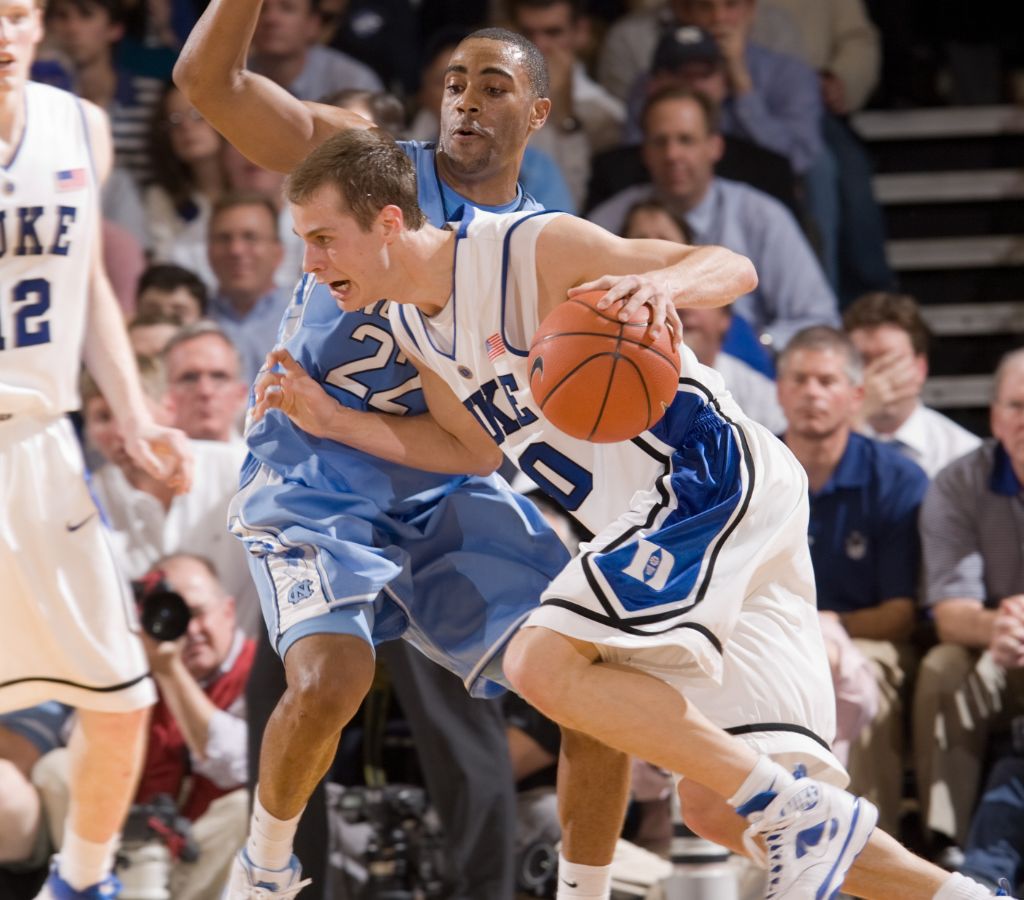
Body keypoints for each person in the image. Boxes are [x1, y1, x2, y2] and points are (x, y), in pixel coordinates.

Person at [274, 124, 1012, 900]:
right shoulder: (411, 324)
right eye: (303, 241)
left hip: (704, 477)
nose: (311, 263)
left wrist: (665, 287)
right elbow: (472, 449)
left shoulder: (525, 247)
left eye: (323, 238)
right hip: (692, 517)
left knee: (543, 662)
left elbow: (733, 267)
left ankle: (773, 811)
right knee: (717, 810)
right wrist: (335, 422)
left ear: (390, 223)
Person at [174, 19, 638, 900]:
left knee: (598, 675)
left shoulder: (541, 252)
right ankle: (265, 869)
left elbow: (470, 447)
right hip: (311, 478)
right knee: (330, 679)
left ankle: (587, 891)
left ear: (539, 112)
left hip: (443, 481)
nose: (466, 97)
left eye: (494, 85)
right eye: (456, 80)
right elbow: (210, 85)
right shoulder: (366, 160)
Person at [0, 1, 191, 896]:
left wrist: (136, 411)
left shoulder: (76, 127)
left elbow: (87, 290)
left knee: (123, 703)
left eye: (17, 15)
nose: (4, 35)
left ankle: (80, 882)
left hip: (40, 448)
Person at [0, 555, 254, 900]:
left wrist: (169, 672)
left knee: (245, 805)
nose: (188, 631)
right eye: (168, 615)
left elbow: (239, 765)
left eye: (195, 613)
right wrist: (123, 660)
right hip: (125, 840)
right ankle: (87, 880)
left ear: (228, 609)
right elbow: (79, 744)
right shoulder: (134, 664)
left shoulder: (258, 667)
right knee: (57, 768)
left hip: (202, 849)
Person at [776, 325, 929, 834]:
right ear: (779, 390)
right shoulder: (751, 470)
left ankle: (866, 846)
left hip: (870, 642)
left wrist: (829, 630)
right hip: (773, 639)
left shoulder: (897, 479)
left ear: (855, 395)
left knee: (863, 680)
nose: (812, 393)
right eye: (799, 379)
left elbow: (901, 616)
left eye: (827, 380)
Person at [588, 85, 838, 353]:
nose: (673, 155)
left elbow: (819, 320)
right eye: (661, 142)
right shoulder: (605, 222)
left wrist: (751, 349)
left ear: (715, 147)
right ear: (644, 151)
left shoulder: (762, 216)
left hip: (747, 375)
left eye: (686, 140)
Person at [914, 348, 1024, 867]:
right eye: (1017, 406)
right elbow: (950, 613)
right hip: (1000, 651)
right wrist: (1003, 625)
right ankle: (950, 845)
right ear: (994, 414)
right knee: (943, 668)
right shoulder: (959, 483)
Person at [843, 291, 981, 478]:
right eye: (863, 361)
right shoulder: (816, 441)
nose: (874, 376)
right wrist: (857, 416)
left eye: (890, 361)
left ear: (920, 368)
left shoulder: (963, 453)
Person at [205, 192, 290, 384]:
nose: (236, 250)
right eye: (224, 238)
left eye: (250, 237)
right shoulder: (192, 319)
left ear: (278, 252)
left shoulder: (307, 322)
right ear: (208, 251)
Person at [248, 0, 382, 100]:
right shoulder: (230, 77)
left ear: (313, 23)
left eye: (287, 8)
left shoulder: (353, 83)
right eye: (262, 9)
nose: (270, 19)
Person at [162, 321, 250, 447]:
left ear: (241, 394)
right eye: (189, 378)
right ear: (167, 393)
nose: (205, 391)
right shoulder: (138, 464)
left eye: (219, 376)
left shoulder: (267, 464)